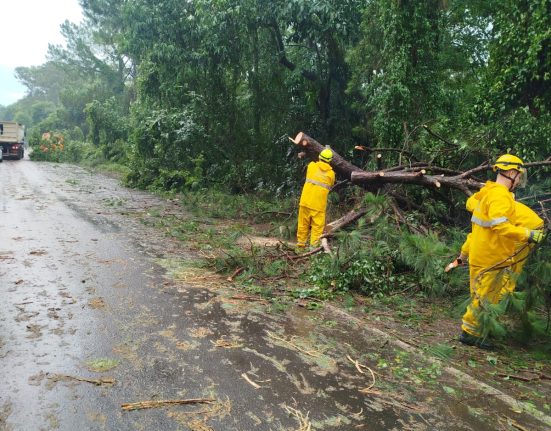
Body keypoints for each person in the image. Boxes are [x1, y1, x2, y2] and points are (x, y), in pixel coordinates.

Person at [449, 154, 544, 349]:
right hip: (492, 256)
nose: (518, 181)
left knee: (482, 295)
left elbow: (479, 230)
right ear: (511, 173)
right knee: (484, 296)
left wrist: (462, 257)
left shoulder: (488, 193)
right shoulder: (499, 196)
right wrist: (529, 234)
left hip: (482, 253)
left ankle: (480, 329)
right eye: (518, 176)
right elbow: (500, 228)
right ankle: (470, 334)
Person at [296, 148, 335, 251]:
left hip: (305, 201)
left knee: (302, 225)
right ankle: (313, 250)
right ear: (330, 160)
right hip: (319, 205)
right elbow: (330, 185)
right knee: (317, 229)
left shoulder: (311, 166)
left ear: (319, 157)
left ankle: (300, 247)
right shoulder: (331, 174)